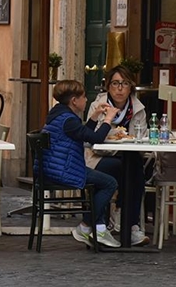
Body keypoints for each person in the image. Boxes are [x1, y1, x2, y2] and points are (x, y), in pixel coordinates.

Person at [41, 79, 121, 248]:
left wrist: (94, 117)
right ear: (74, 101)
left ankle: (98, 229)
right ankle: (86, 227)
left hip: (57, 167)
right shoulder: (68, 120)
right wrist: (108, 119)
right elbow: (96, 138)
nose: (86, 100)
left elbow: (83, 133)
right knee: (110, 183)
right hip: (63, 170)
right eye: (84, 97)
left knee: (101, 177)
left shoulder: (60, 114)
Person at [85, 66, 150, 246]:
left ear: (131, 87)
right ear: (108, 86)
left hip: (128, 157)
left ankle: (130, 226)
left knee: (135, 168)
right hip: (97, 158)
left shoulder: (138, 109)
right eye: (115, 83)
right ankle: (116, 224)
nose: (120, 88)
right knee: (122, 169)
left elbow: (140, 138)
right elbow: (93, 141)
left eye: (124, 84)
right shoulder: (97, 106)